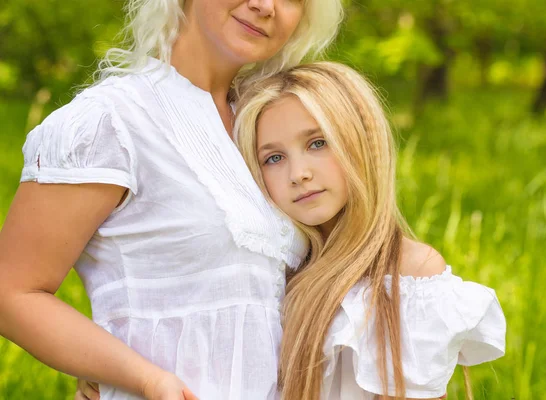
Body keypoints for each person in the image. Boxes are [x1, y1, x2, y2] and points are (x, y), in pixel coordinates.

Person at [0, 1, 343, 399]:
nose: (264, 6)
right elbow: (12, 293)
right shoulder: (111, 121)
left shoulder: (271, 124)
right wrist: (145, 379)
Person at [233, 61, 507, 399]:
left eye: (318, 143)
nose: (298, 173)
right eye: (273, 158)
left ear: (360, 142)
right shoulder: (277, 268)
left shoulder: (410, 276)